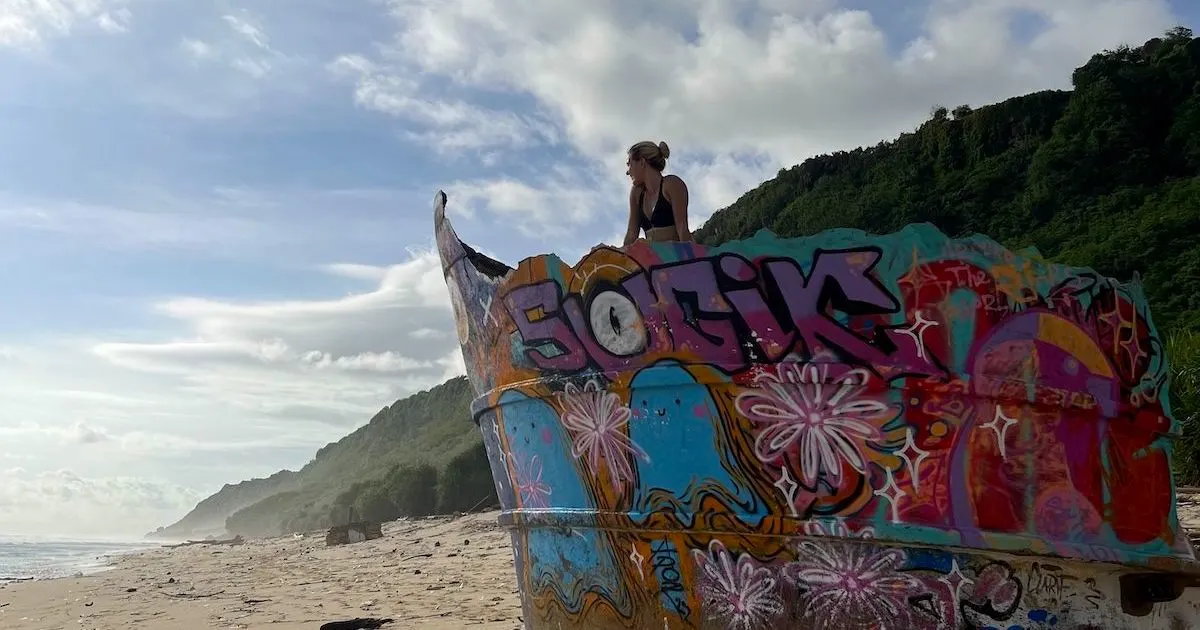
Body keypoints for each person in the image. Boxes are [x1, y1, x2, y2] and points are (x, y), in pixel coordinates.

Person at [622, 140, 691, 245]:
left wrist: (690, 260)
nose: (628, 172)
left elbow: (682, 229)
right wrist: (620, 259)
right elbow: (631, 234)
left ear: (642, 162)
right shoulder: (636, 193)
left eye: (629, 164)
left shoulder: (672, 184)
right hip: (653, 259)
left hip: (677, 256)